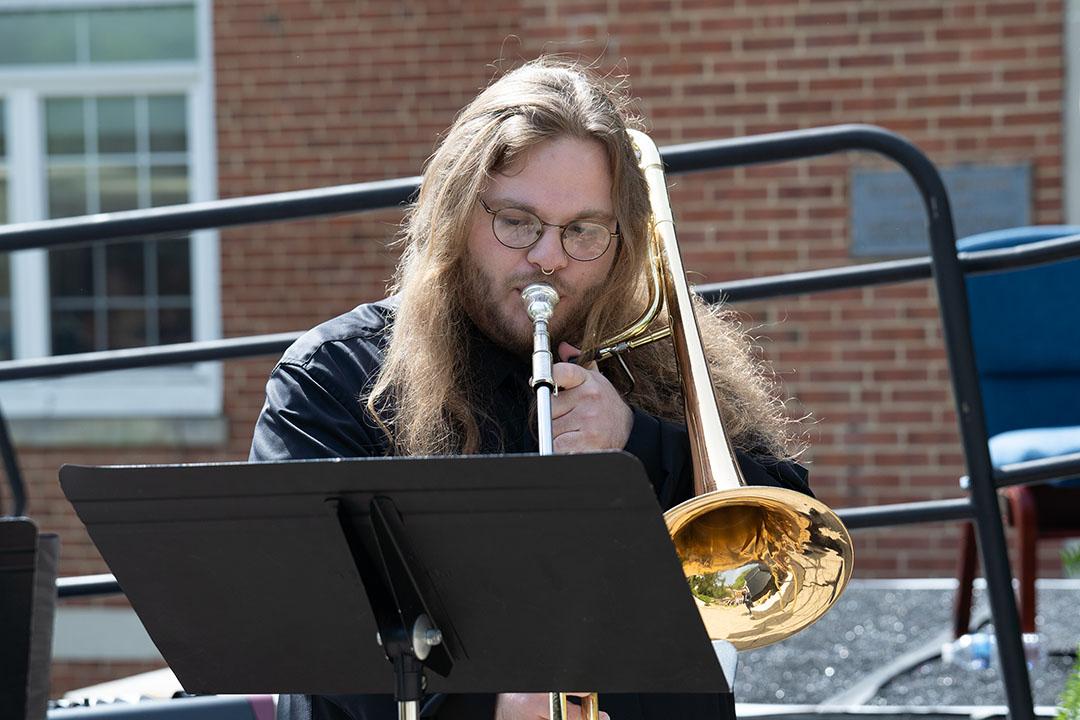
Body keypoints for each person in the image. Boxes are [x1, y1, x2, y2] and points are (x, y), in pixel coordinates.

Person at [250, 57, 812, 720]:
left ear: (620, 241)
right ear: (457, 212)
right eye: (517, 221)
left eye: (582, 230)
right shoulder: (335, 377)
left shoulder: (657, 360)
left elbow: (783, 539)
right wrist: (490, 709)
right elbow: (312, 631)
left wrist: (640, 443)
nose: (549, 256)